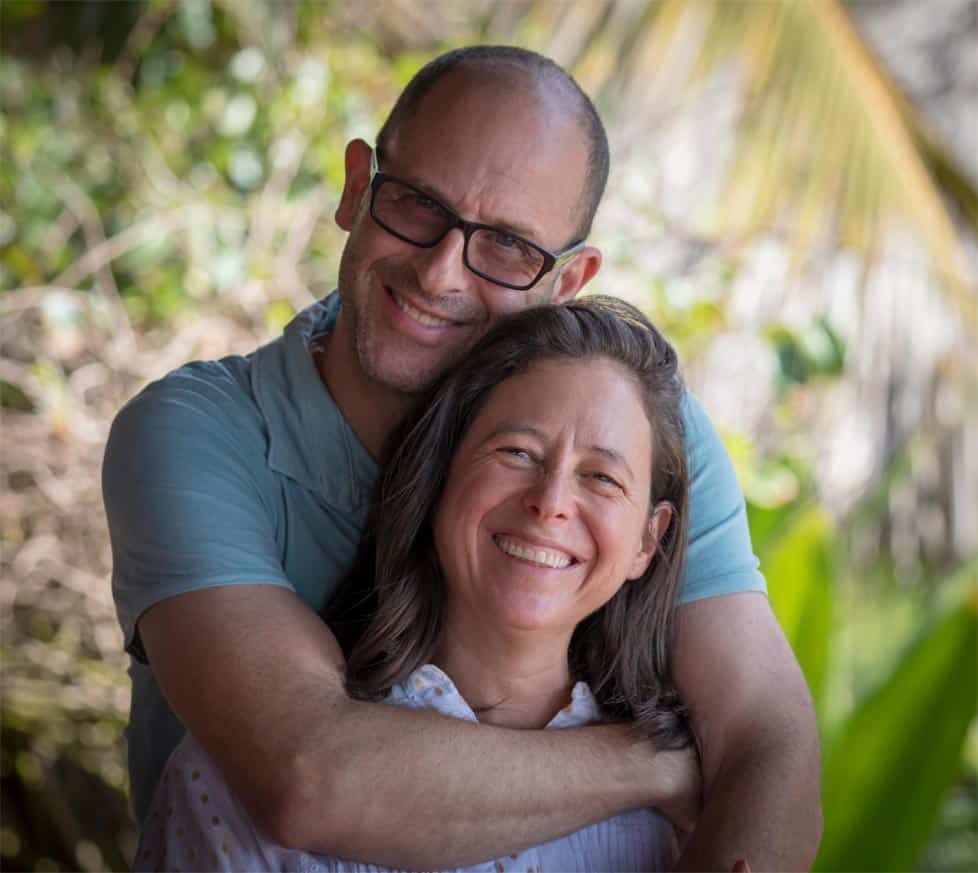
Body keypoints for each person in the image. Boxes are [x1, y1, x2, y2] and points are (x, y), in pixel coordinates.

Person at [104, 45, 821, 871]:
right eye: (414, 204)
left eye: (510, 246)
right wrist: (654, 761)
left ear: (569, 280)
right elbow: (306, 776)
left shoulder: (635, 429)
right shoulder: (195, 433)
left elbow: (766, 736)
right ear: (355, 187)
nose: (441, 271)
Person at [135, 297, 695, 872]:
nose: (550, 503)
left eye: (602, 477)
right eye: (517, 452)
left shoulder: (691, 825)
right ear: (439, 477)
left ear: (648, 542)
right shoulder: (238, 777)